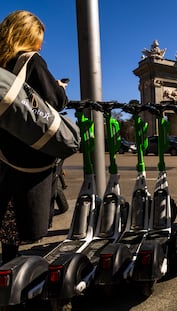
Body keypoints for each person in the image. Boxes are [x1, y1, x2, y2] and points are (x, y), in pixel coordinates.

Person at [0, 10, 68, 262]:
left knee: (6, 211)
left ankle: (8, 260)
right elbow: (55, 101)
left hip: (2, 150)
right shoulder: (32, 61)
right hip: (24, 152)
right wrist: (60, 88)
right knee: (20, 210)